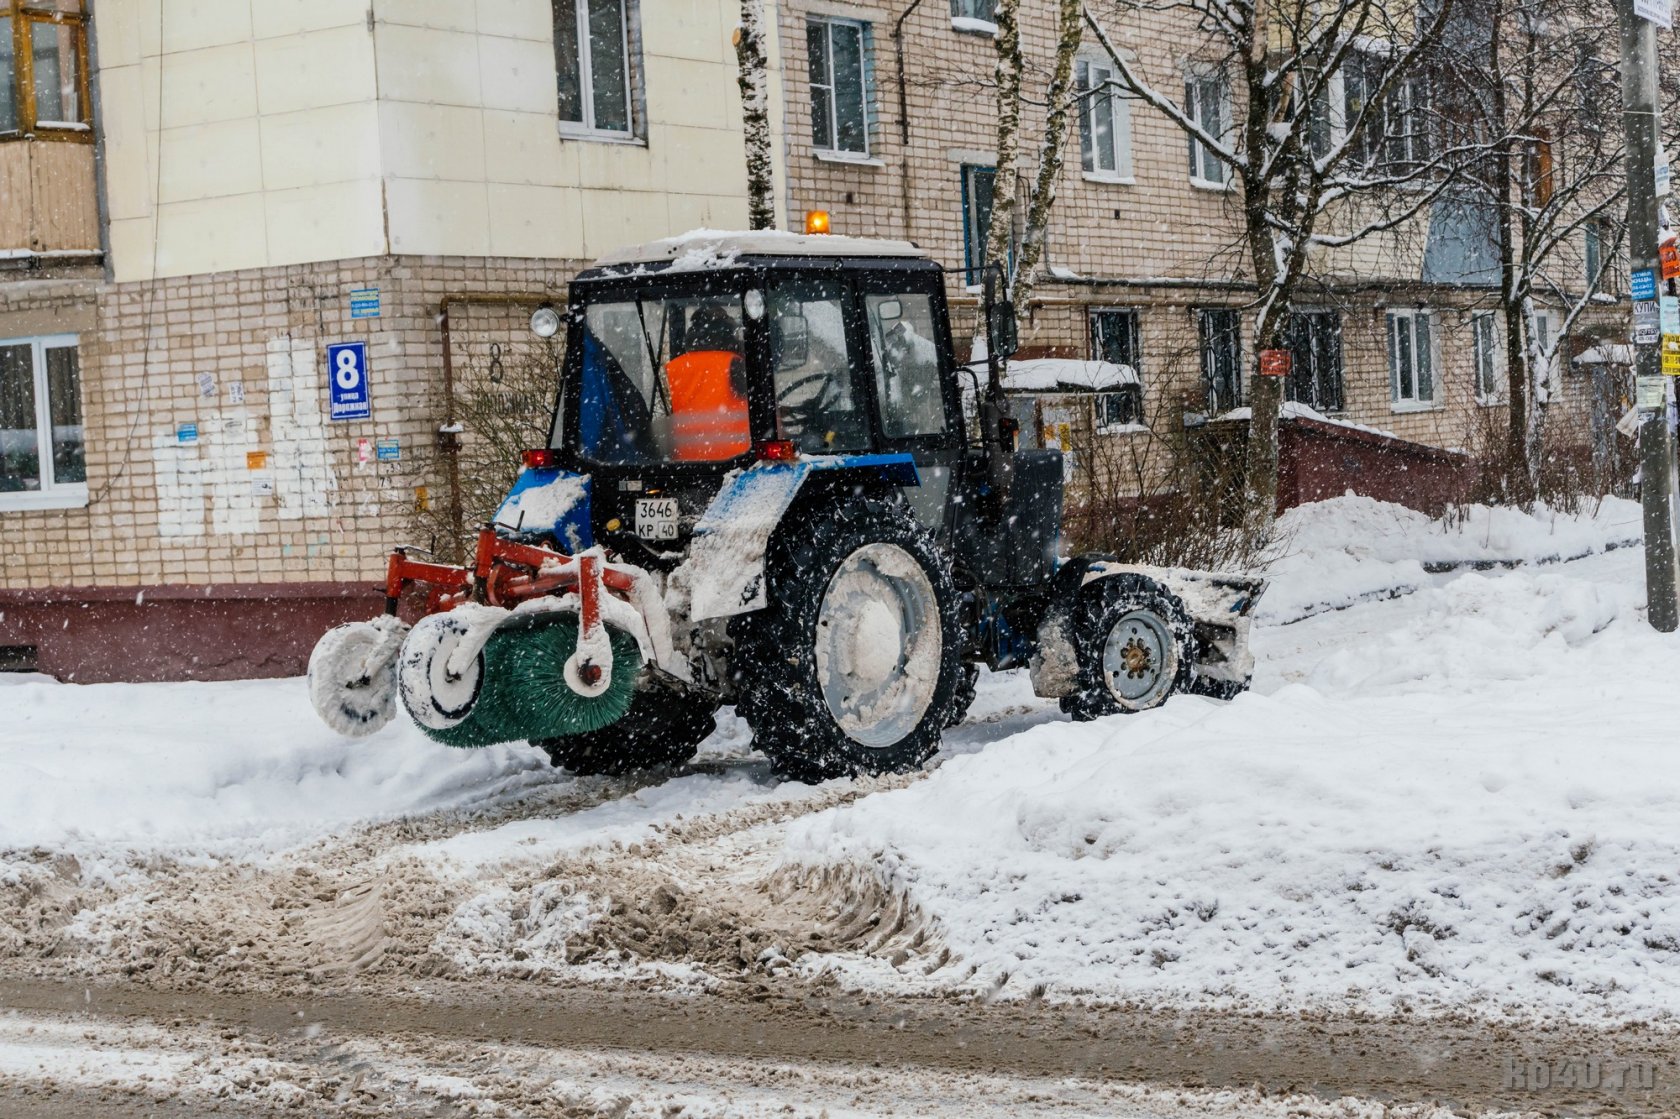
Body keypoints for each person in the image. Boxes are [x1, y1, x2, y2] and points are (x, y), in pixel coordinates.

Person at [665, 305, 751, 461]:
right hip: (738, 458)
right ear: (726, 335)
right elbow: (759, 404)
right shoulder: (734, 365)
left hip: (688, 460)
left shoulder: (676, 366)